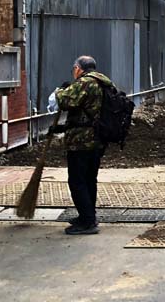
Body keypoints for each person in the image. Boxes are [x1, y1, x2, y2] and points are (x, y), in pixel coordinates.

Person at [54, 55, 112, 235]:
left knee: (77, 181)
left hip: (82, 141)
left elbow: (65, 102)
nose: (74, 73)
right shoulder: (104, 82)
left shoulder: (85, 83)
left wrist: (59, 91)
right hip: (98, 139)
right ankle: (87, 215)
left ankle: (87, 222)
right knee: (89, 180)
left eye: (74, 69)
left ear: (78, 68)